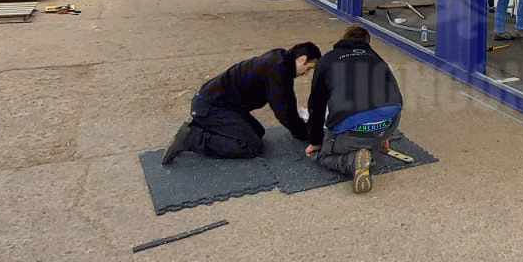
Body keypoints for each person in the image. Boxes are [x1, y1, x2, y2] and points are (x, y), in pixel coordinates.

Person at [161, 41, 321, 164]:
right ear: (302, 59)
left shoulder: (279, 60)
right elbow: (285, 112)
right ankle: (192, 139)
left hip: (221, 104)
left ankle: (205, 125)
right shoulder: (278, 72)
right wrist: (309, 136)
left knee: (257, 132)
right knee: (250, 146)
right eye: (309, 68)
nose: (307, 74)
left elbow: (287, 105)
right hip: (211, 107)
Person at [304, 25, 404, 194]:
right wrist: (385, 135)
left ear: (343, 39)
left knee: (322, 156)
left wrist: (315, 141)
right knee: (368, 132)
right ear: (366, 43)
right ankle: (367, 148)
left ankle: (353, 161)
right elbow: (395, 95)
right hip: (388, 121)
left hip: (352, 126)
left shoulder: (328, 60)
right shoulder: (376, 58)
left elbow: (317, 104)